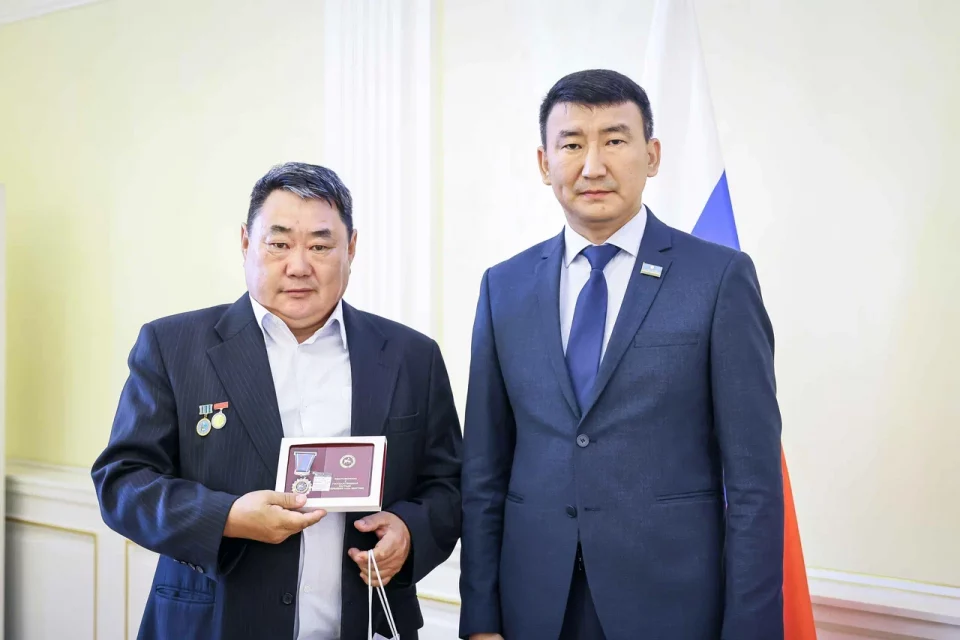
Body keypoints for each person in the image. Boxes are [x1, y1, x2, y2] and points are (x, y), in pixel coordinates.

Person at [458, 69, 784, 639]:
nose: (593, 166)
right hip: (535, 607)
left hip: (673, 607)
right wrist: (481, 619)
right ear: (544, 163)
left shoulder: (718, 279)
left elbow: (754, 483)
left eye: (614, 140)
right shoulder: (503, 286)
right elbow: (484, 471)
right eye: (572, 145)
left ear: (651, 156)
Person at [92, 162, 463, 640]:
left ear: (351, 248)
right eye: (279, 243)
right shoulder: (173, 346)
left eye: (321, 246)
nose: (299, 265)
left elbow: (447, 485)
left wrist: (409, 531)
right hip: (213, 625)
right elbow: (123, 483)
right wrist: (227, 518)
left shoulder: (411, 356)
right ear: (246, 242)